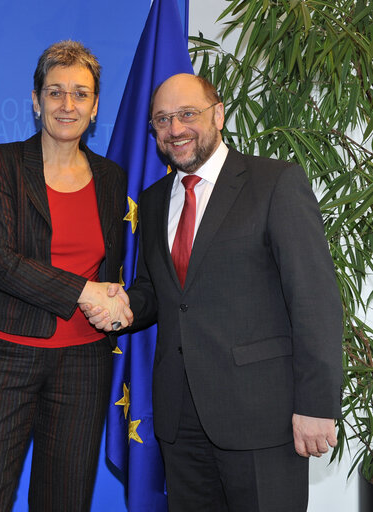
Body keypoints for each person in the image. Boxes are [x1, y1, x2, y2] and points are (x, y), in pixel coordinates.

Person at [85, 73, 342, 511]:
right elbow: (158, 291)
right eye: (162, 120)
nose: (175, 129)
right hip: (180, 421)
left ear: (218, 115)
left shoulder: (275, 182)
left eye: (188, 114)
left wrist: (318, 405)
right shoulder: (152, 199)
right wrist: (123, 306)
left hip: (262, 418)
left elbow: (314, 297)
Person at [0, 40, 132, 512]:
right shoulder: (1, 164)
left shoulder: (112, 178)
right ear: (35, 101)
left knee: (64, 501)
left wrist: (117, 297)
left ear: (94, 107)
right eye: (55, 92)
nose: (67, 105)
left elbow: (115, 264)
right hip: (4, 356)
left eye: (81, 94)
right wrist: (86, 291)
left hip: (85, 365)